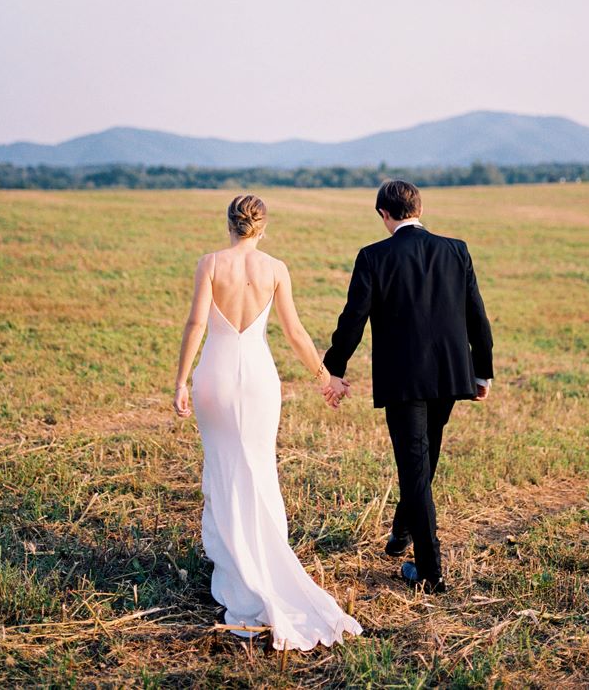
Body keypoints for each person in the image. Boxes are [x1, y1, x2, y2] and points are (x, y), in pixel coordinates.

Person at [172, 194, 362, 652]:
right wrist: (324, 378)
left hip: (215, 377)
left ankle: (237, 571)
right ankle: (265, 561)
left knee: (223, 468)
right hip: (258, 379)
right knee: (259, 469)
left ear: (230, 225)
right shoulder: (275, 268)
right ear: (262, 228)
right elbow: (295, 331)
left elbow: (197, 323)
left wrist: (179, 381)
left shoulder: (209, 263)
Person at [323, 179, 493, 594]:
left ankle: (431, 571)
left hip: (404, 380)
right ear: (418, 207)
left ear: (384, 214)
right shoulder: (456, 249)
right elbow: (477, 315)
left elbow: (353, 319)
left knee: (416, 467)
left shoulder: (373, 256)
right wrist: (481, 371)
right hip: (451, 376)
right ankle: (402, 532)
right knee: (423, 460)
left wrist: (333, 367)